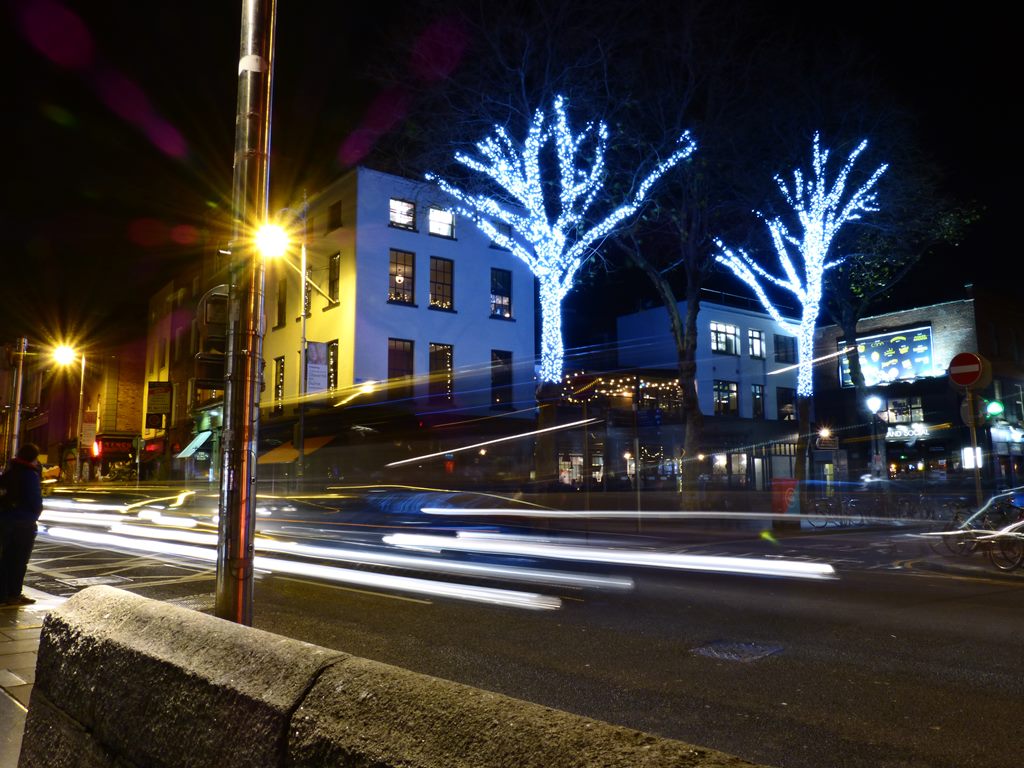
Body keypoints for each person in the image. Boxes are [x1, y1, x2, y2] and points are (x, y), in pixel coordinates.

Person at [0, 442, 44, 606]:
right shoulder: (30, 475)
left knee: (5, 559)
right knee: (19, 561)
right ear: (33, 458)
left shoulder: (9, 472)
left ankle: (3, 594)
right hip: (23, 524)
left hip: (5, 521)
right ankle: (14, 594)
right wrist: (34, 515)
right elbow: (35, 501)